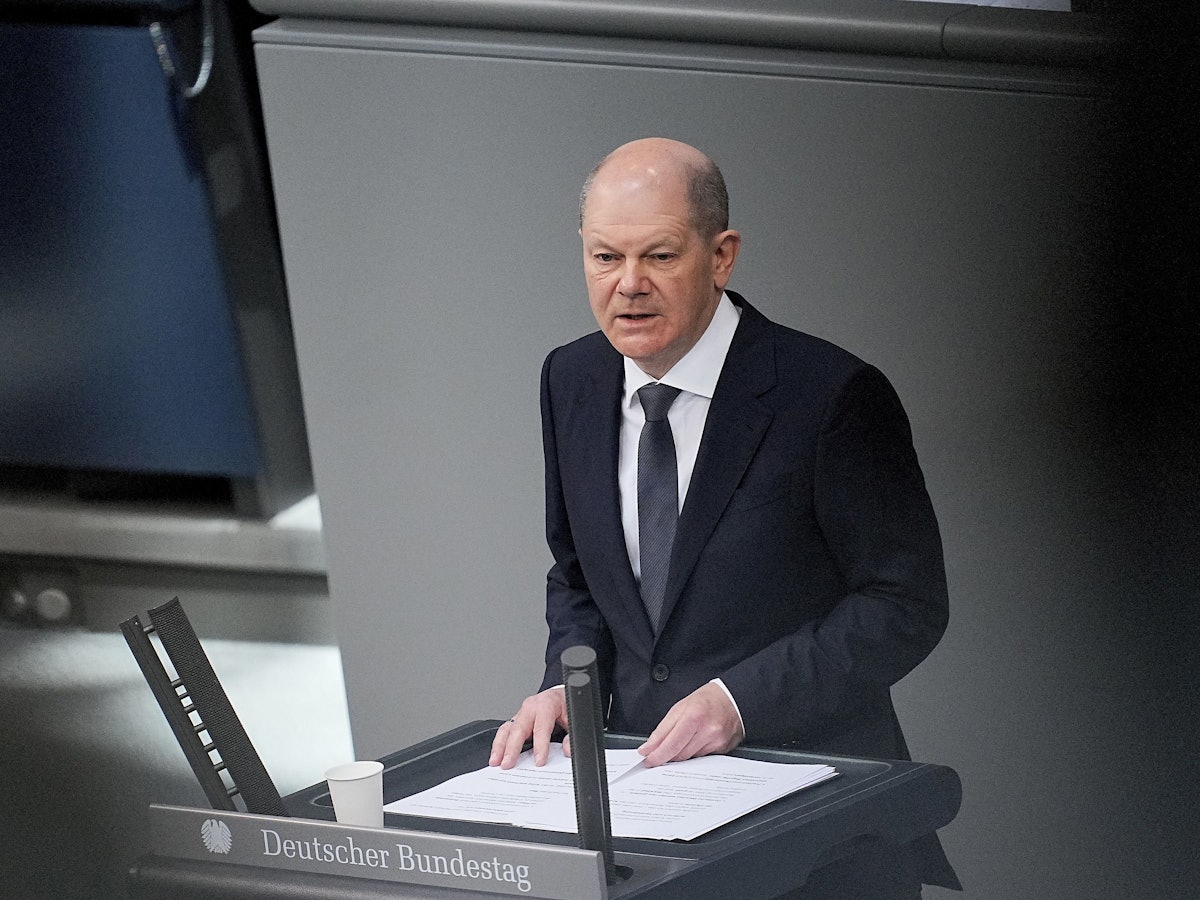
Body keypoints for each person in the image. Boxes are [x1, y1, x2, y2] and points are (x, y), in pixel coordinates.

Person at [489, 137, 958, 897]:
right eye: (606, 258)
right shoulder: (569, 378)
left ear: (722, 255)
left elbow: (905, 605)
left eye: (660, 257)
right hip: (654, 820)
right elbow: (578, 578)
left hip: (816, 826)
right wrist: (566, 686)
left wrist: (740, 703)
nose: (628, 286)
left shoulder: (831, 396)